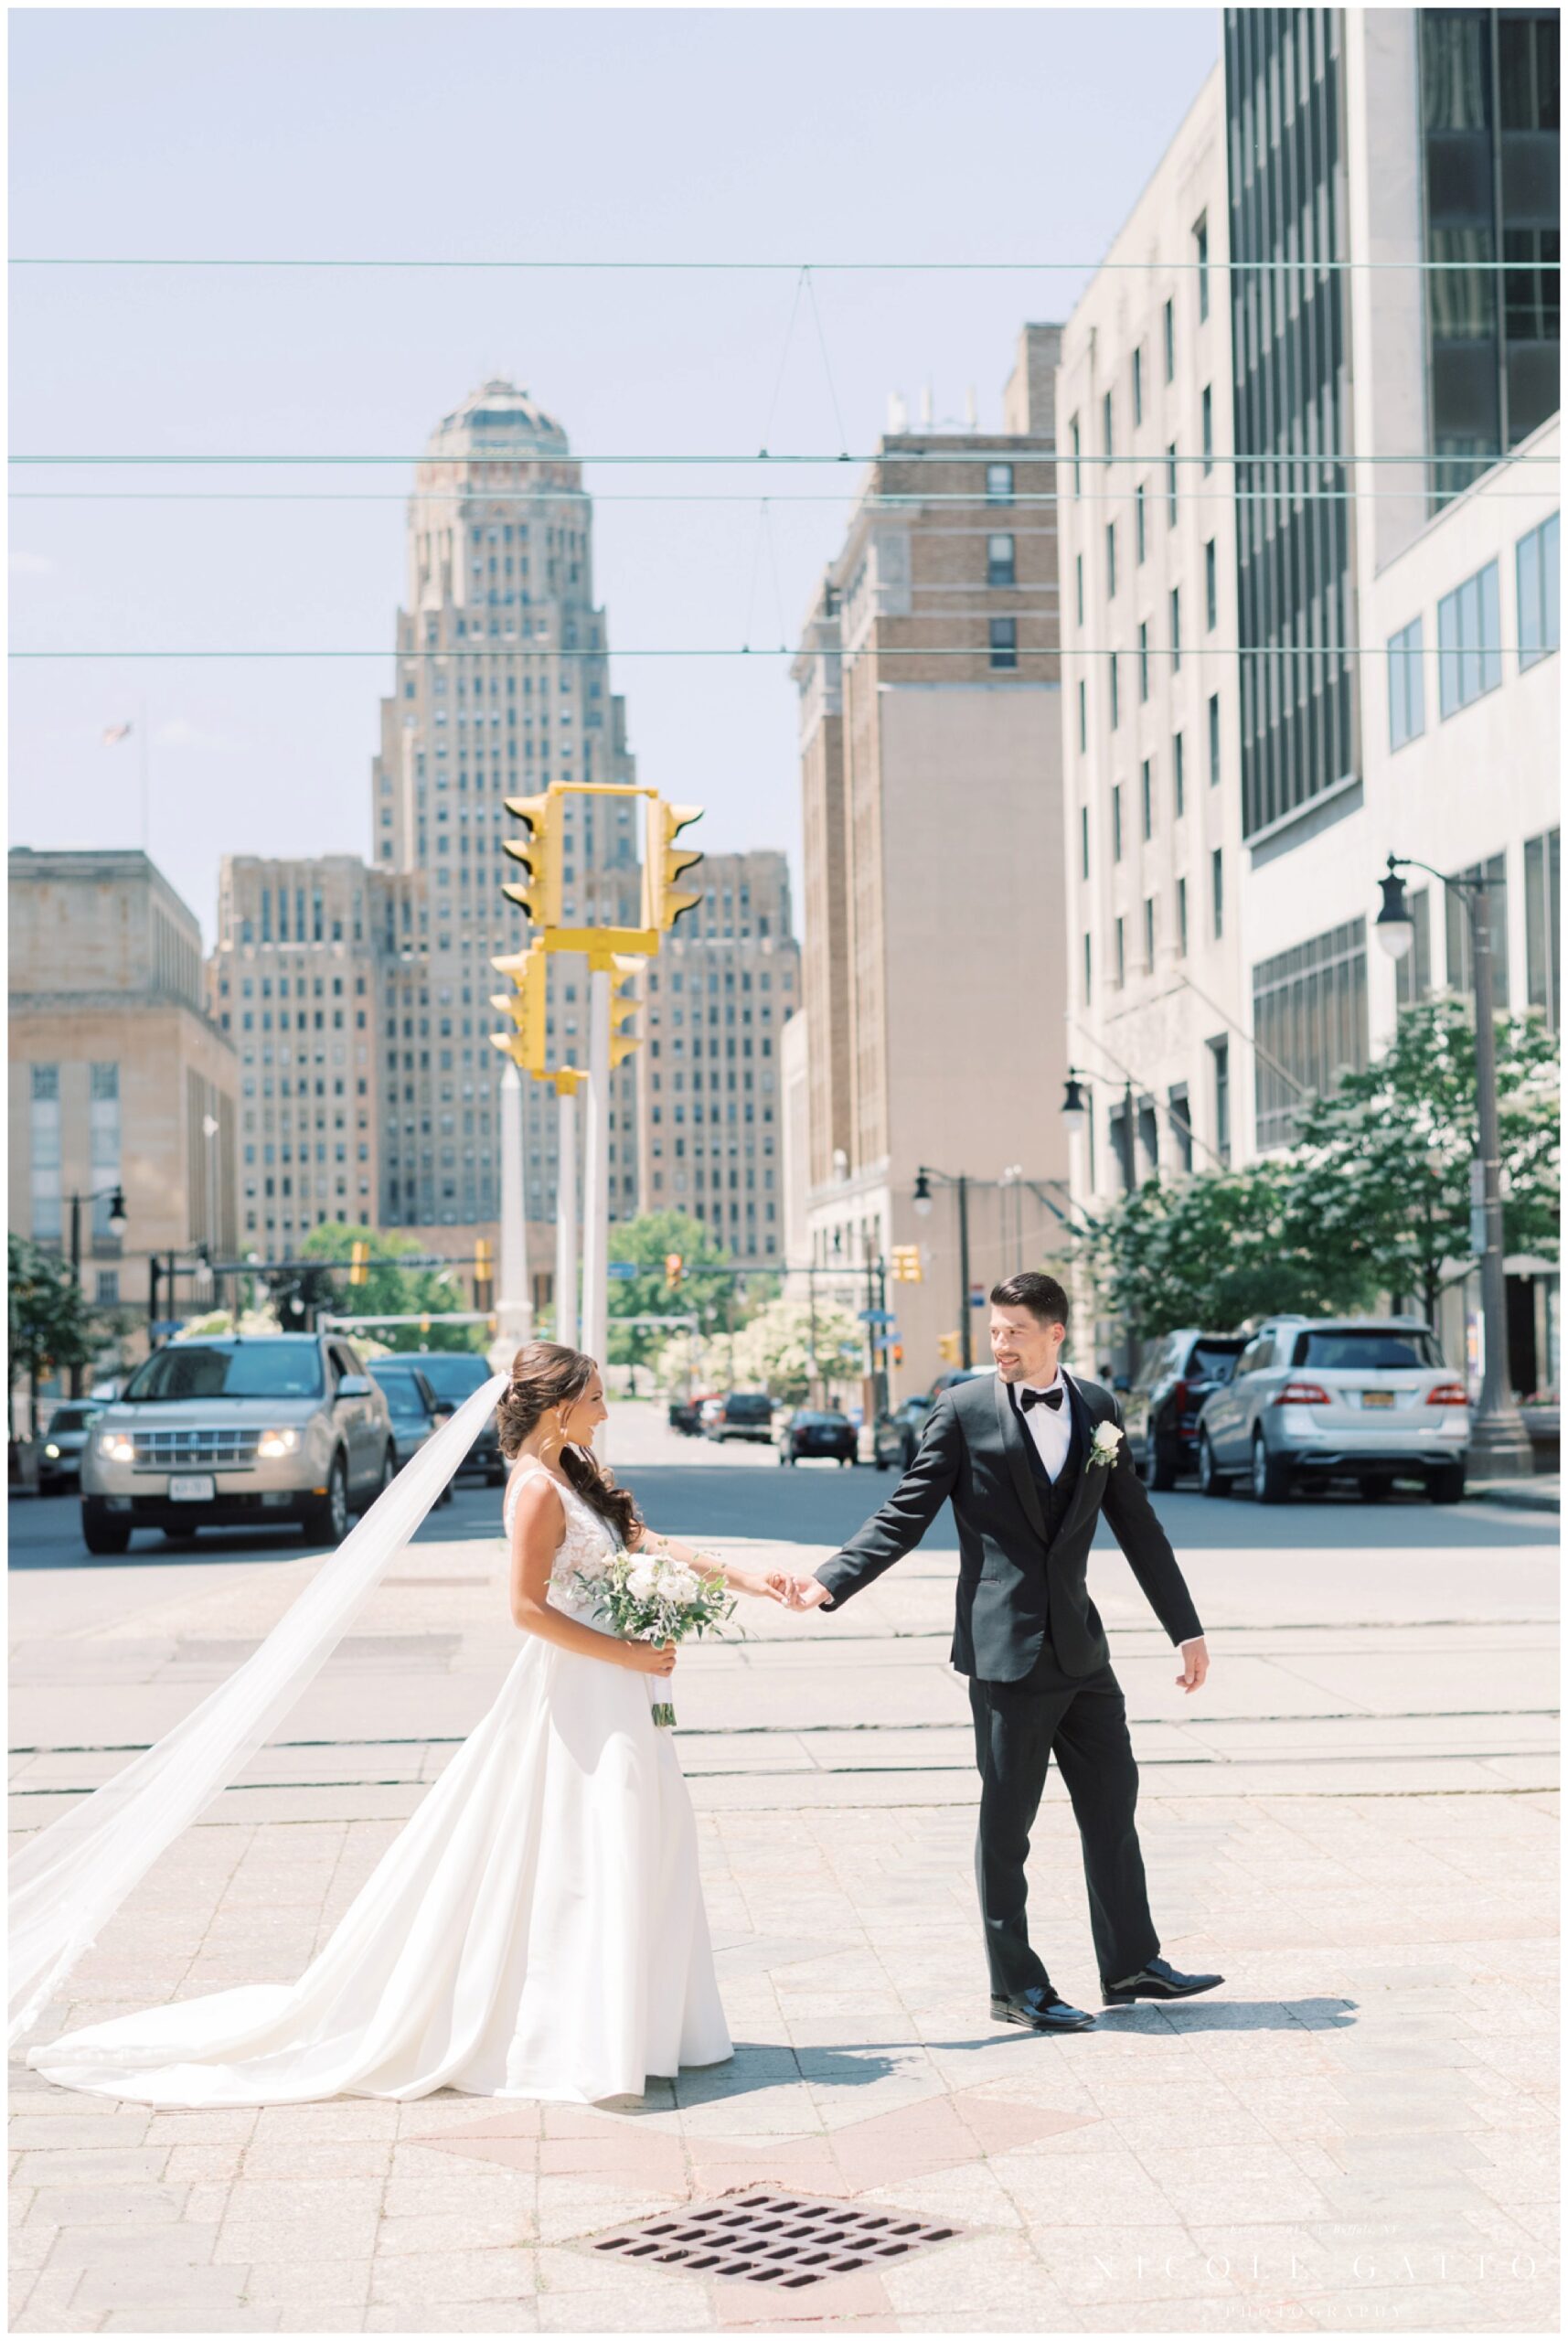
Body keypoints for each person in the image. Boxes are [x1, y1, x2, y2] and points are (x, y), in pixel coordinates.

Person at [26, 1343, 784, 2108]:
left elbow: (642, 1545)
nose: (606, 1411)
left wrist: (750, 1578)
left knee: (639, 1837)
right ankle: (581, 2032)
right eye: (594, 1397)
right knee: (588, 1845)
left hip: (618, 1685)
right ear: (557, 1406)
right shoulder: (533, 1490)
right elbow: (525, 1611)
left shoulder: (572, 1474)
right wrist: (626, 1651)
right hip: (585, 1685)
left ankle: (642, 2023)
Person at [776, 1273, 1223, 2035]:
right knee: (1007, 1824)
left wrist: (1184, 1627)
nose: (1000, 1345)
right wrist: (829, 1581)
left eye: (1015, 1331)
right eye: (994, 1332)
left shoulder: (1098, 1411)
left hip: (1082, 1650)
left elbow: (1138, 1525)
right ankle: (1014, 1985)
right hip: (1004, 1652)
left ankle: (1131, 1963)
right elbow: (904, 1512)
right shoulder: (962, 1411)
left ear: (1055, 1333)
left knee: (1113, 1803)